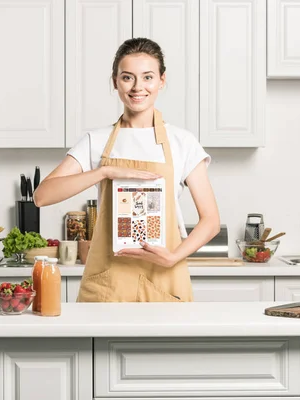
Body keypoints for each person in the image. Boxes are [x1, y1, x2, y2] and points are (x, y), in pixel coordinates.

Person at [33, 38, 220, 302]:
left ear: (161, 81)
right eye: (127, 77)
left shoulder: (182, 142)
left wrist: (173, 257)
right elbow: (42, 196)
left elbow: (211, 221)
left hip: (163, 276)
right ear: (115, 82)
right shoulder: (96, 141)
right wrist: (104, 172)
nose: (137, 87)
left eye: (147, 77)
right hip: (109, 280)